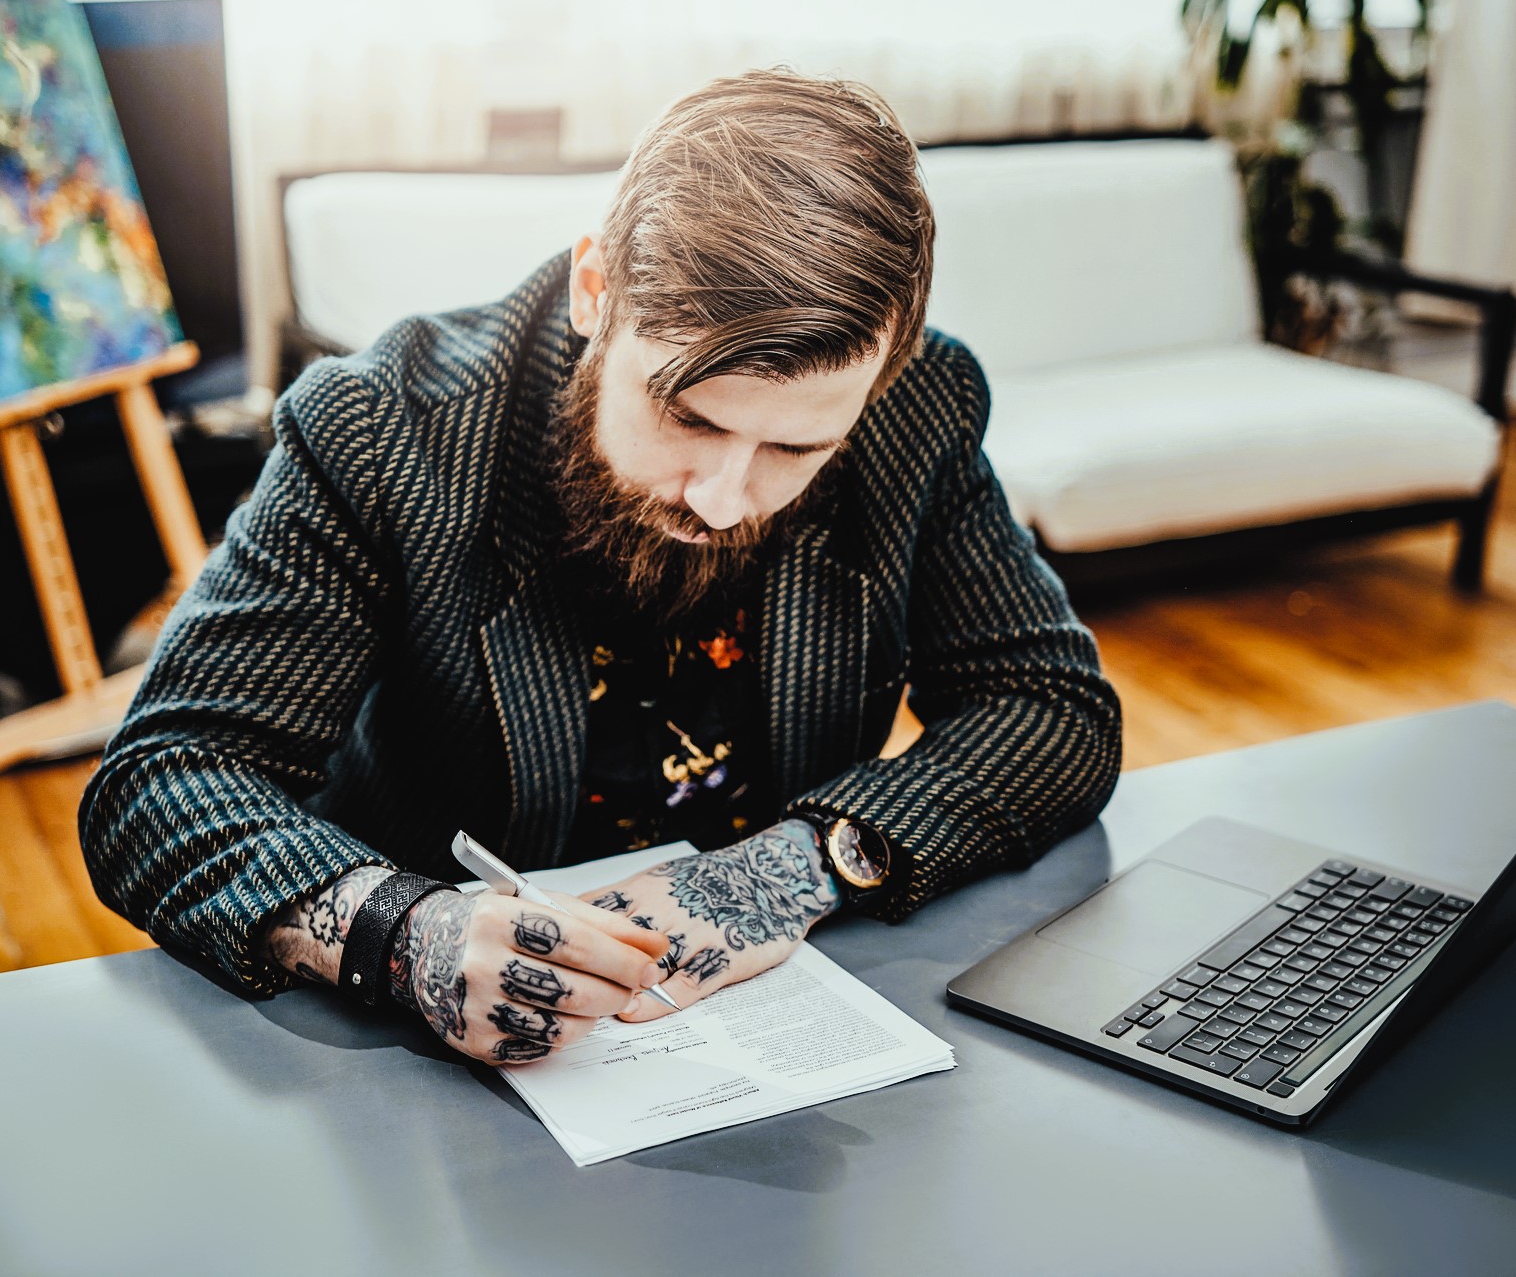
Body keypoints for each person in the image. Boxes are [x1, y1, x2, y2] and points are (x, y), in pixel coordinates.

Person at [80, 67, 1121, 1068]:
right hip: (417, 1066)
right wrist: (404, 933)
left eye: (795, 450)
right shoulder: (380, 431)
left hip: (776, 1024)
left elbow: (1049, 707)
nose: (720, 496)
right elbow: (160, 780)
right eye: (686, 416)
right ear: (594, 289)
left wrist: (797, 865)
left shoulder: (916, 407)